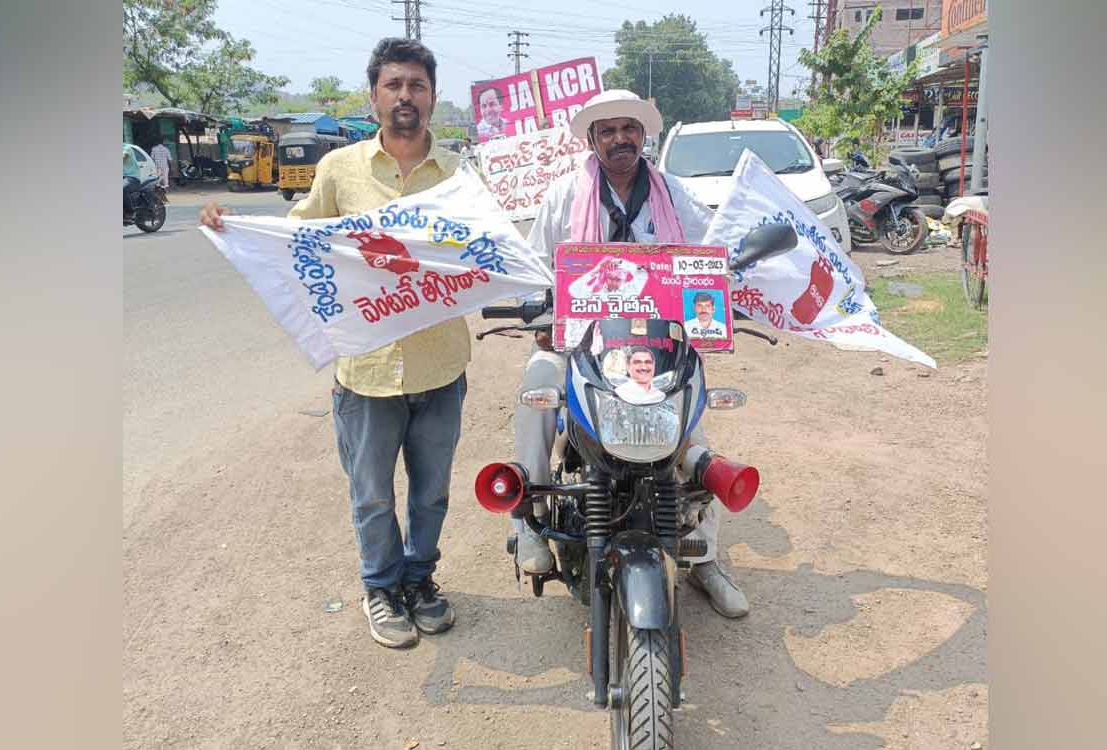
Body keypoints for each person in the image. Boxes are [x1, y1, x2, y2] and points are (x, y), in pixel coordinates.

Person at [200, 38, 465, 650]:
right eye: (394, 84)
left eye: (417, 85)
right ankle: (380, 587)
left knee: (432, 490)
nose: (406, 96)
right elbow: (296, 240)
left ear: (432, 96)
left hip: (441, 363)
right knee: (372, 493)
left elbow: (482, 250)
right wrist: (233, 225)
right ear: (374, 95)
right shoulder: (338, 169)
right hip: (366, 370)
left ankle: (420, 581)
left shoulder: (457, 174)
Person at [513, 89, 750, 618]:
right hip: (581, 347)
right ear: (593, 140)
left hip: (659, 343)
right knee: (534, 390)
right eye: (607, 130)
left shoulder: (673, 193)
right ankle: (526, 523)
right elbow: (532, 269)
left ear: (643, 136)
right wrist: (539, 317)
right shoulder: (563, 195)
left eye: (629, 129)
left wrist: (728, 287)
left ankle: (705, 557)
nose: (620, 139)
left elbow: (711, 252)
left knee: (693, 435)